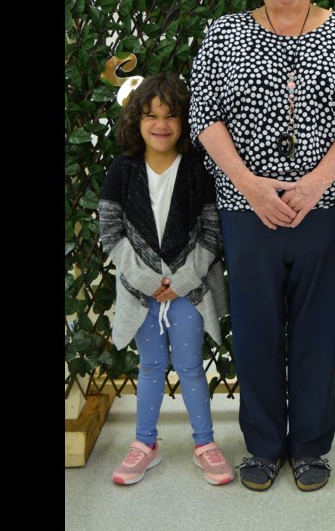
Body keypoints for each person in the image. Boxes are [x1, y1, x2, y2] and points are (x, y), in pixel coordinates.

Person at [188, 0, 335, 492]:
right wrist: (251, 185)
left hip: (327, 209)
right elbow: (204, 117)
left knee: (319, 328)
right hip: (249, 212)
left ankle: (312, 447)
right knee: (255, 329)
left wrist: (317, 182)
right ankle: (264, 446)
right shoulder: (224, 34)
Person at [98, 73, 234, 486]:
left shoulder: (198, 169)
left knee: (192, 367)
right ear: (136, 121)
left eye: (172, 116)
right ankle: (145, 445)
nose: (161, 124)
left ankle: (205, 444)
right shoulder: (122, 170)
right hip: (141, 294)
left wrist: (182, 278)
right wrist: (144, 278)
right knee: (152, 365)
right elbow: (110, 233)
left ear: (186, 121)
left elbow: (212, 232)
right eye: (151, 115)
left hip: (189, 292)